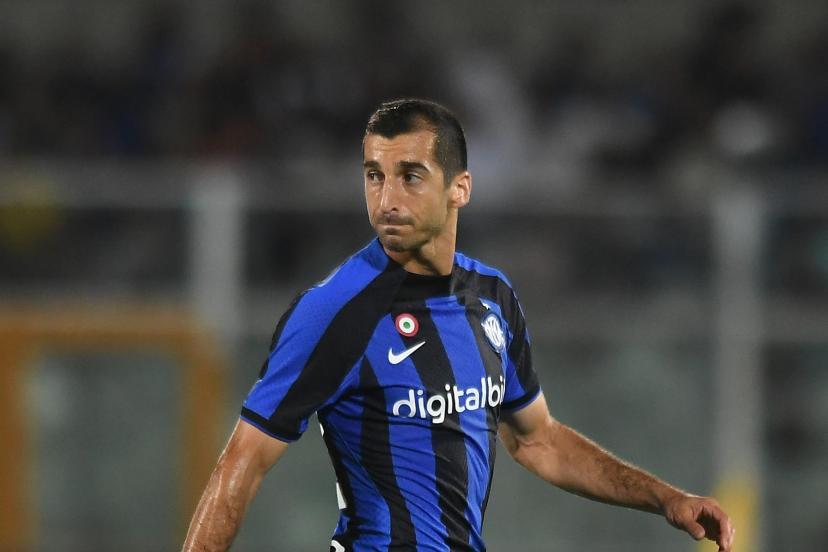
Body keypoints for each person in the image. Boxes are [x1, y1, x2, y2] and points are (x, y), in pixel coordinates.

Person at [182, 98, 735, 552]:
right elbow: (242, 464)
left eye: (410, 176)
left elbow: (538, 440)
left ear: (460, 188)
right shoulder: (333, 311)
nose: (386, 200)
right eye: (374, 176)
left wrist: (667, 499)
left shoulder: (492, 297)